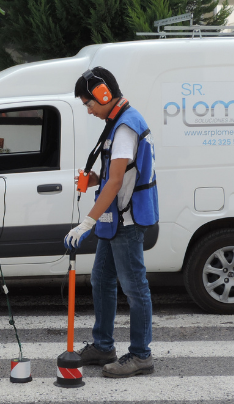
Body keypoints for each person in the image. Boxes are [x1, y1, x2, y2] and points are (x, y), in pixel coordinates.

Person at [64, 66, 159, 378]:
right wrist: (92, 179)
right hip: (114, 219)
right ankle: (104, 346)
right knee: (102, 280)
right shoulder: (117, 122)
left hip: (127, 220)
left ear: (104, 94)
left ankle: (140, 355)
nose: (89, 110)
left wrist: (86, 223)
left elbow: (117, 182)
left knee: (134, 288)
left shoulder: (125, 127)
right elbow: (113, 175)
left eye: (89, 103)